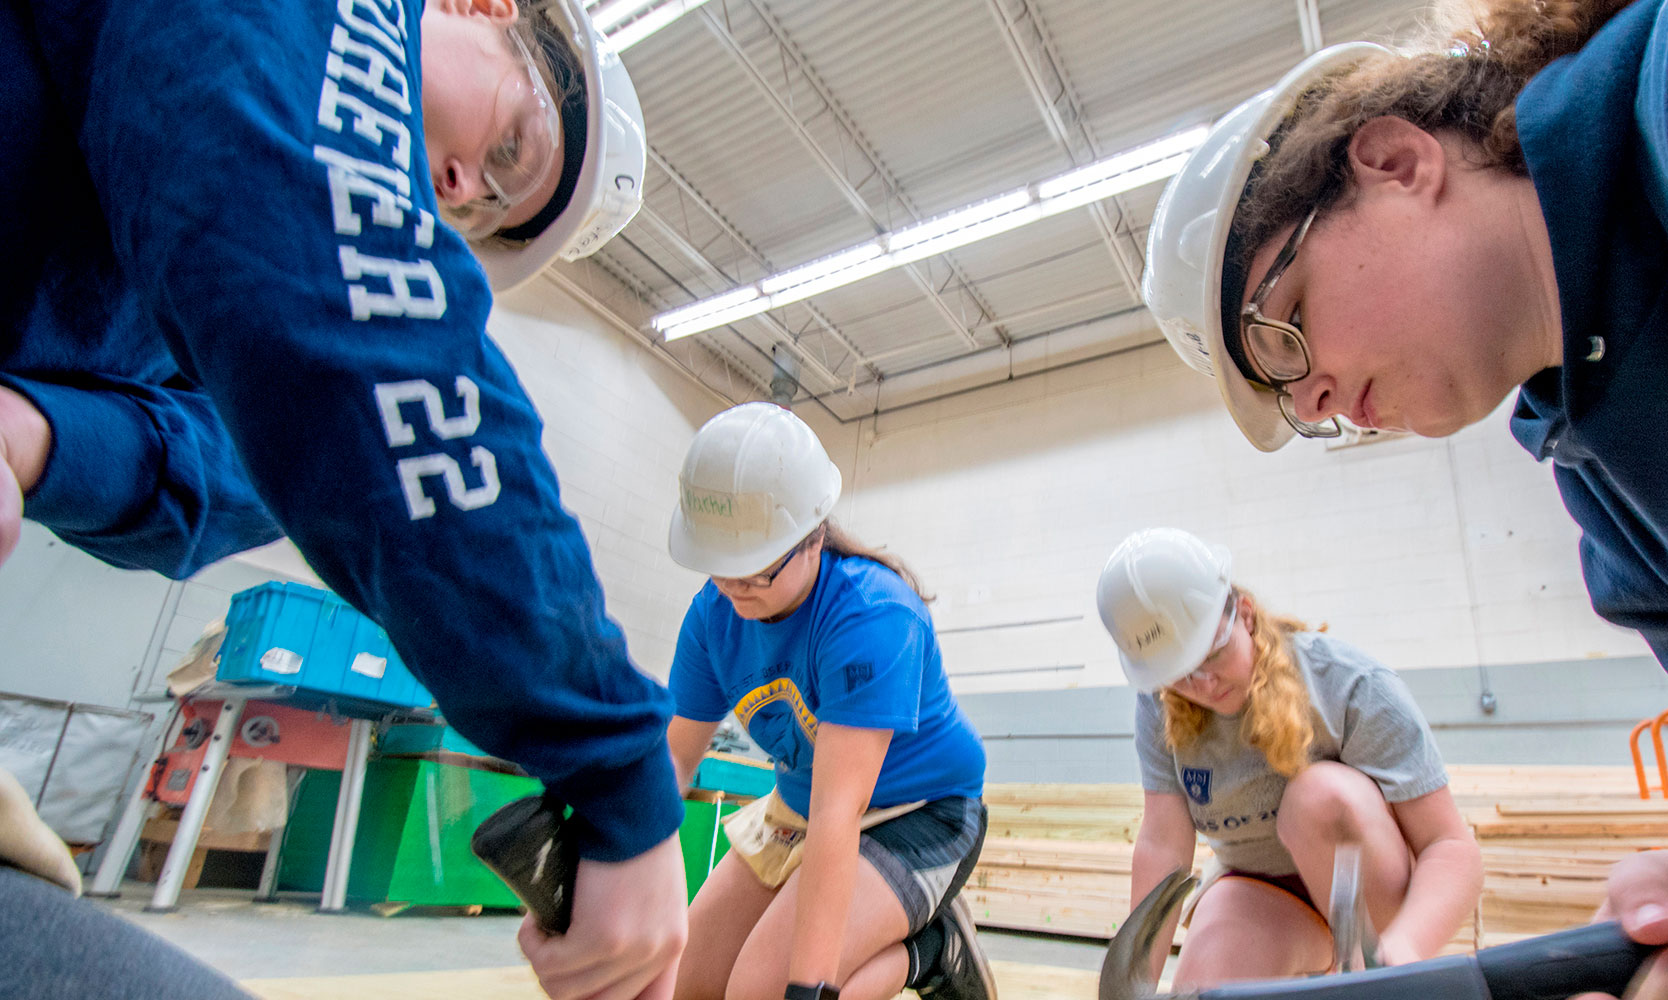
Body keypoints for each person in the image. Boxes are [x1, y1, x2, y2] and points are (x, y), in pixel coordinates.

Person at [1139, 1, 1668, 997]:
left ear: (1393, 161)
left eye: (1285, 330)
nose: (1315, 396)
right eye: (1291, 402)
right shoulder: (1628, 543)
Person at [2, 0, 686, 996]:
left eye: (488, 206)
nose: (461, 187)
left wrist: (35, 434)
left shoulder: (186, 215)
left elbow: (232, 464)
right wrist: (619, 768)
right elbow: (371, 354)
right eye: (510, 143)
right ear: (480, 7)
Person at [660, 403, 996, 1000]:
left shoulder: (873, 615)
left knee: (760, 993)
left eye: (757, 569)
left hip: (916, 812)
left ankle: (929, 952)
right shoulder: (712, 618)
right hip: (797, 810)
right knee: (688, 985)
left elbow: (840, 815)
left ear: (813, 536)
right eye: (720, 567)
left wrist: (807, 988)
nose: (735, 588)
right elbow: (672, 767)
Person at [1096, 528, 1480, 986]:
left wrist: (1409, 943)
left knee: (1320, 797)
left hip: (1373, 896)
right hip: (1266, 890)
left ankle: (1372, 969)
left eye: (1212, 656)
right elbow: (1163, 844)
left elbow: (1450, 847)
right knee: (1205, 989)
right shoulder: (1161, 707)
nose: (1202, 684)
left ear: (1245, 614)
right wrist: (1134, 981)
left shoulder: (1351, 686)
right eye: (1179, 674)